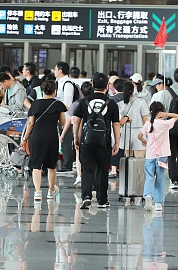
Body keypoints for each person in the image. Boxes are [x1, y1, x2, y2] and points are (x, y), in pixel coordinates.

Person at [72, 73, 121, 209]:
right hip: (104, 142)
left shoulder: (84, 101)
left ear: (92, 85)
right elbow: (116, 124)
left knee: (87, 169)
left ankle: (86, 196)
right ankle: (102, 199)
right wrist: (117, 142)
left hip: (86, 141)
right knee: (102, 170)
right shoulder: (111, 103)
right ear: (107, 86)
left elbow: (77, 121)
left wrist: (76, 137)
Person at [21, 80, 68, 202]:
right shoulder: (58, 104)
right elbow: (63, 122)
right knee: (51, 166)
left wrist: (25, 138)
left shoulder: (35, 104)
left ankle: (37, 193)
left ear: (42, 91)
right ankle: (51, 191)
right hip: (51, 137)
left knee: (36, 165)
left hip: (36, 137)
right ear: (55, 91)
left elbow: (31, 123)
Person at [138, 102, 177, 214]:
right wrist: (166, 114)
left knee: (149, 177)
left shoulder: (148, 124)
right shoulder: (165, 124)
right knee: (160, 178)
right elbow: (177, 116)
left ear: (151, 112)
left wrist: (144, 141)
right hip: (162, 156)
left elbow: (139, 136)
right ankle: (159, 203)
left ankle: (148, 195)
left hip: (150, 155)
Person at [118, 80, 149, 159]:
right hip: (139, 133)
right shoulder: (141, 102)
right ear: (132, 90)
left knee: (128, 161)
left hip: (125, 133)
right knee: (139, 161)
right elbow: (145, 119)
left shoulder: (120, 104)